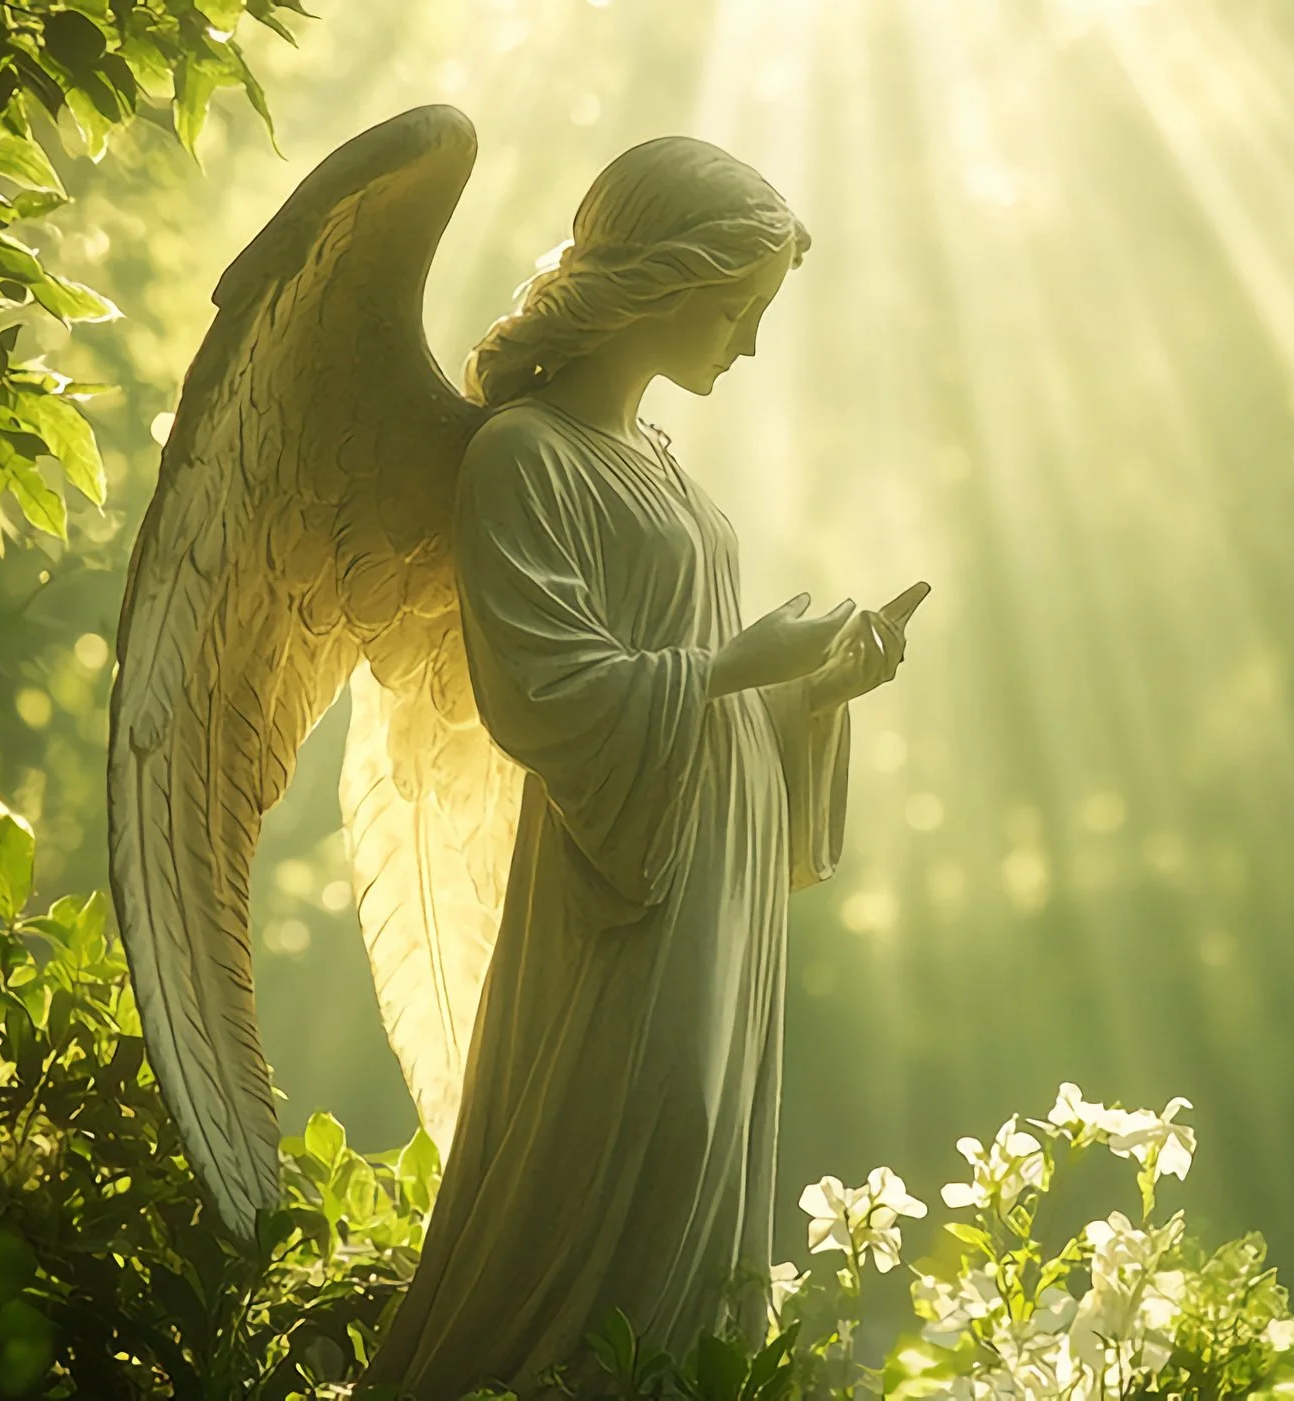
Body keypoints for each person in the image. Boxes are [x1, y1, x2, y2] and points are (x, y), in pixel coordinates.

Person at [361, 135, 927, 1398]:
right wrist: (733, 665)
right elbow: (543, 697)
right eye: (738, 310)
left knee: (708, 1147)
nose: (750, 344)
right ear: (665, 285)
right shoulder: (523, 456)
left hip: (710, 852)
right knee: (638, 1140)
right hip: (625, 873)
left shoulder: (663, 462)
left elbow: (704, 683)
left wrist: (812, 692)